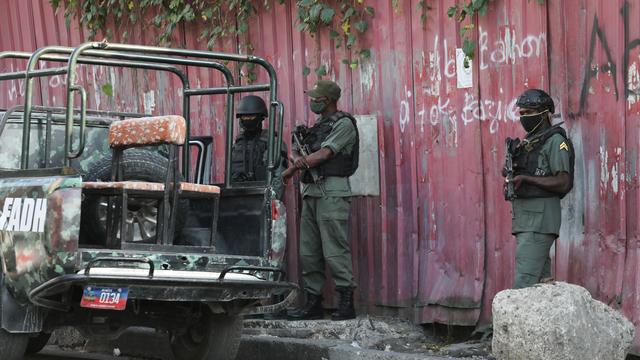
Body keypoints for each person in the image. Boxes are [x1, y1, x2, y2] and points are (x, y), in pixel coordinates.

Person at [283, 80, 359, 321]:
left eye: (316, 98)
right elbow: (303, 152)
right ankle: (314, 302)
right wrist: (296, 154)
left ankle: (346, 302)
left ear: (327, 100)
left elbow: (325, 154)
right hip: (312, 193)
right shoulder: (319, 126)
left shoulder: (344, 124)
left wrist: (294, 167)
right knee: (309, 251)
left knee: (335, 250)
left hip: (332, 192)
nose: (312, 101)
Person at [504, 89, 575, 289]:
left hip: (539, 221)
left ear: (545, 113)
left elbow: (563, 182)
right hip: (526, 220)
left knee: (524, 285)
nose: (524, 118)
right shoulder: (530, 142)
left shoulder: (556, 142)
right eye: (522, 113)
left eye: (529, 113)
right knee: (540, 287)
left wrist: (527, 179)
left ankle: (514, 322)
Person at [231, 95, 287, 199]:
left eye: (251, 116)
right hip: (237, 199)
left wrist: (271, 200)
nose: (247, 119)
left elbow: (280, 177)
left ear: (260, 117)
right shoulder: (238, 143)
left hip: (263, 198)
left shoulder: (272, 142)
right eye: (244, 116)